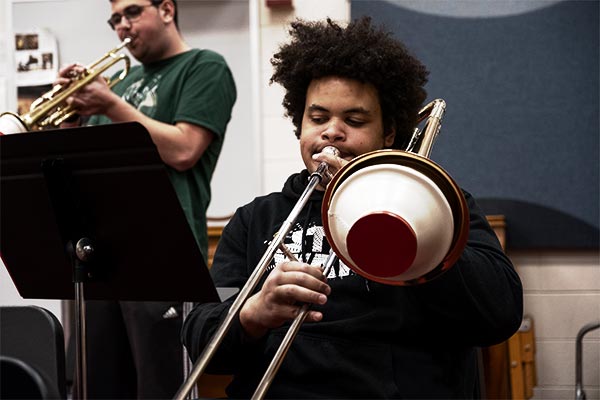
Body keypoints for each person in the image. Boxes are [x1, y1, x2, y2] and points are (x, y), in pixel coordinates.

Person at [182, 17, 522, 399]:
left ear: (388, 134)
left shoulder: (433, 205)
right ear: (300, 126)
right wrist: (253, 313)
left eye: (354, 120)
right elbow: (200, 336)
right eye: (318, 117)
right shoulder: (255, 218)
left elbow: (500, 314)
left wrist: (410, 228)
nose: (332, 132)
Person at [57, 0, 237, 398]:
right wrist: (73, 120)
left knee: (161, 387)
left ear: (168, 10)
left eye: (132, 12)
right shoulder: (119, 83)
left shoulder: (205, 66)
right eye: (115, 19)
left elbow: (184, 149)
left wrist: (109, 104)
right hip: (102, 255)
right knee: (97, 386)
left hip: (161, 253)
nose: (122, 26)